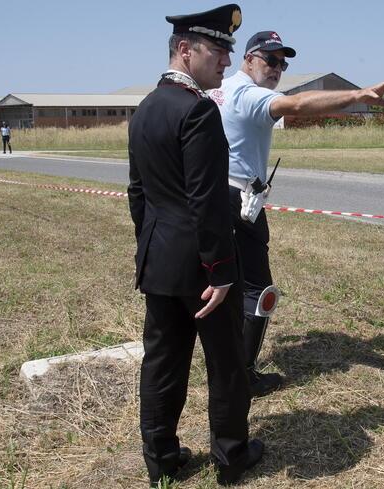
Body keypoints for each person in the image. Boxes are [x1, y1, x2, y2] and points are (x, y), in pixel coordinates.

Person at [211, 31, 384, 397]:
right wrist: (357, 95)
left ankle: (224, 366)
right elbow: (295, 106)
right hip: (239, 201)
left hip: (215, 194)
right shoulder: (250, 94)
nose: (277, 68)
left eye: (283, 63)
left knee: (223, 286)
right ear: (248, 59)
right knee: (257, 290)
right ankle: (241, 378)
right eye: (270, 60)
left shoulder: (220, 90)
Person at [126, 4, 263, 487]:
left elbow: (138, 193)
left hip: (159, 259)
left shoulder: (145, 108)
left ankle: (161, 460)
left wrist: (154, 244)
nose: (226, 61)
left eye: (229, 52)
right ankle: (232, 458)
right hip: (204, 269)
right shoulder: (199, 110)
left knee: (162, 362)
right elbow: (207, 201)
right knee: (226, 364)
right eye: (218, 51)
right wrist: (221, 270)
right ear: (185, 51)